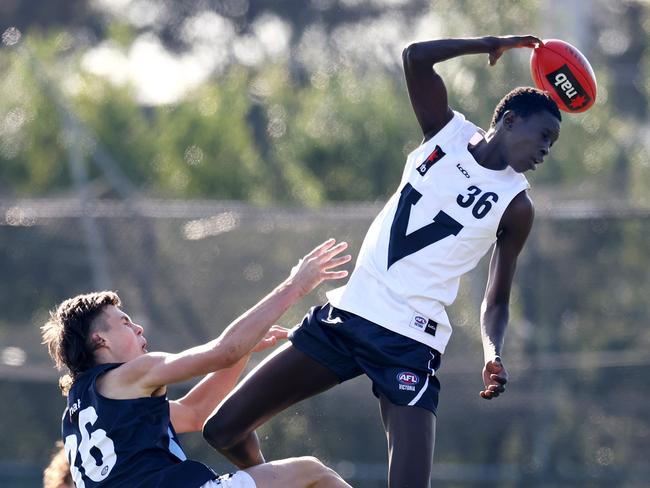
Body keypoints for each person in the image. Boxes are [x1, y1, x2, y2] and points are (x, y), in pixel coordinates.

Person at [202, 35, 562, 488]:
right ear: (509, 121)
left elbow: (497, 299)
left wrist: (493, 353)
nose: (547, 149)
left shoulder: (516, 205)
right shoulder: (445, 132)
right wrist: (489, 44)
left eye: (553, 142)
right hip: (347, 317)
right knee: (222, 429)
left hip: (409, 344)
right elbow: (414, 56)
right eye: (544, 136)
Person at [41, 238, 354, 488]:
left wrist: (243, 352)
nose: (137, 328)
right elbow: (225, 349)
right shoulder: (134, 374)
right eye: (124, 323)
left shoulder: (81, 413)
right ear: (100, 340)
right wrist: (296, 284)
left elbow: (195, 412)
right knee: (311, 473)